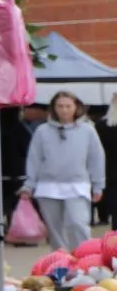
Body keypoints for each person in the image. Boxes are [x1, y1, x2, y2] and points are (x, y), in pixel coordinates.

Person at [25, 91, 106, 251]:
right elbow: (34, 159)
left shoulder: (87, 130)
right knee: (55, 232)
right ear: (53, 108)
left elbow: (96, 158)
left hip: (78, 185)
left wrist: (98, 184)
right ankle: (61, 263)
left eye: (68, 106)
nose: (64, 110)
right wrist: (29, 184)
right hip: (48, 187)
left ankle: (84, 257)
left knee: (77, 223)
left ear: (76, 108)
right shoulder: (42, 131)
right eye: (60, 106)